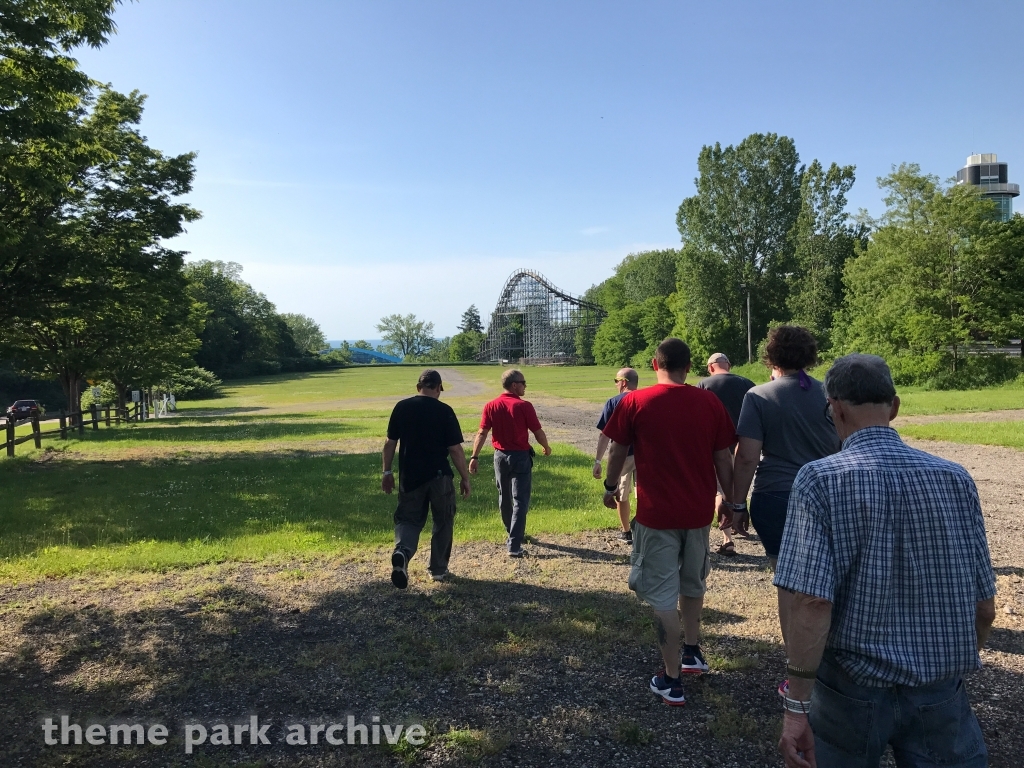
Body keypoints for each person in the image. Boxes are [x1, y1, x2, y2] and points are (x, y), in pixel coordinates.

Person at [775, 354, 996, 768]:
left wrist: (796, 706)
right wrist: (954, 668)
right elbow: (984, 607)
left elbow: (812, 602)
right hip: (938, 687)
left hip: (849, 688)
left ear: (834, 408)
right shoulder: (955, 478)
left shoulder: (820, 480)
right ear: (894, 407)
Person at [601, 338, 738, 706]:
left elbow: (616, 450)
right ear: (689, 365)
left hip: (656, 515)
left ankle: (671, 678)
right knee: (693, 583)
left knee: (662, 596)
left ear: (654, 363)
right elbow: (723, 457)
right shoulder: (708, 402)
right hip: (697, 515)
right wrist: (732, 501)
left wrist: (611, 486)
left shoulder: (634, 401)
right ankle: (692, 651)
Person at [732, 326, 841, 569]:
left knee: (784, 573)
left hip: (775, 494)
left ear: (771, 357)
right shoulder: (830, 393)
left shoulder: (758, 396)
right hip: (825, 494)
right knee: (821, 572)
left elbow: (747, 458)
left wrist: (738, 504)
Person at [382, 369, 470, 588]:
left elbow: (390, 443)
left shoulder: (402, 407)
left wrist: (387, 472)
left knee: (408, 519)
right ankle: (438, 569)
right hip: (440, 477)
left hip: (410, 477)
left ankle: (403, 552)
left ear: (418, 387)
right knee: (443, 520)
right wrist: (464, 477)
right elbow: (455, 450)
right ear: (439, 387)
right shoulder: (445, 411)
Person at [469, 369, 551, 557]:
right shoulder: (524, 406)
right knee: (520, 500)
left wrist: (474, 456)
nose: (525, 386)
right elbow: (537, 431)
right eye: (523, 383)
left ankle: (511, 532)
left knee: (504, 497)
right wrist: (546, 447)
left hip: (500, 456)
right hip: (520, 457)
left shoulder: (491, 405)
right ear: (514, 385)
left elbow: (482, 433)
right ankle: (514, 544)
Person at [696, 352, 755, 555]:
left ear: (711, 367)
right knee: (741, 485)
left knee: (721, 489)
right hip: (745, 443)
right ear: (728, 365)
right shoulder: (747, 383)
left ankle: (727, 538)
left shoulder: (704, 385)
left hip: (718, 445)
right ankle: (740, 518)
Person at [593, 367, 639, 543]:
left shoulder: (613, 402)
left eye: (616, 380)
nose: (615, 384)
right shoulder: (646, 399)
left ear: (624, 382)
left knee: (621, 495)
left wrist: (598, 461)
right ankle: (641, 526)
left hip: (624, 455)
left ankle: (626, 531)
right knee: (645, 494)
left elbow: (605, 434)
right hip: (645, 455)